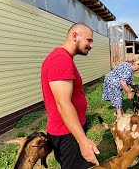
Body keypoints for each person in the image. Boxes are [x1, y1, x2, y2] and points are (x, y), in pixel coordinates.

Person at [41, 23, 99, 168]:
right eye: (89, 40)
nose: (91, 45)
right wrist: (83, 141)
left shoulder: (63, 58)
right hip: (67, 133)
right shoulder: (61, 60)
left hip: (70, 129)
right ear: (75, 36)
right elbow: (63, 103)